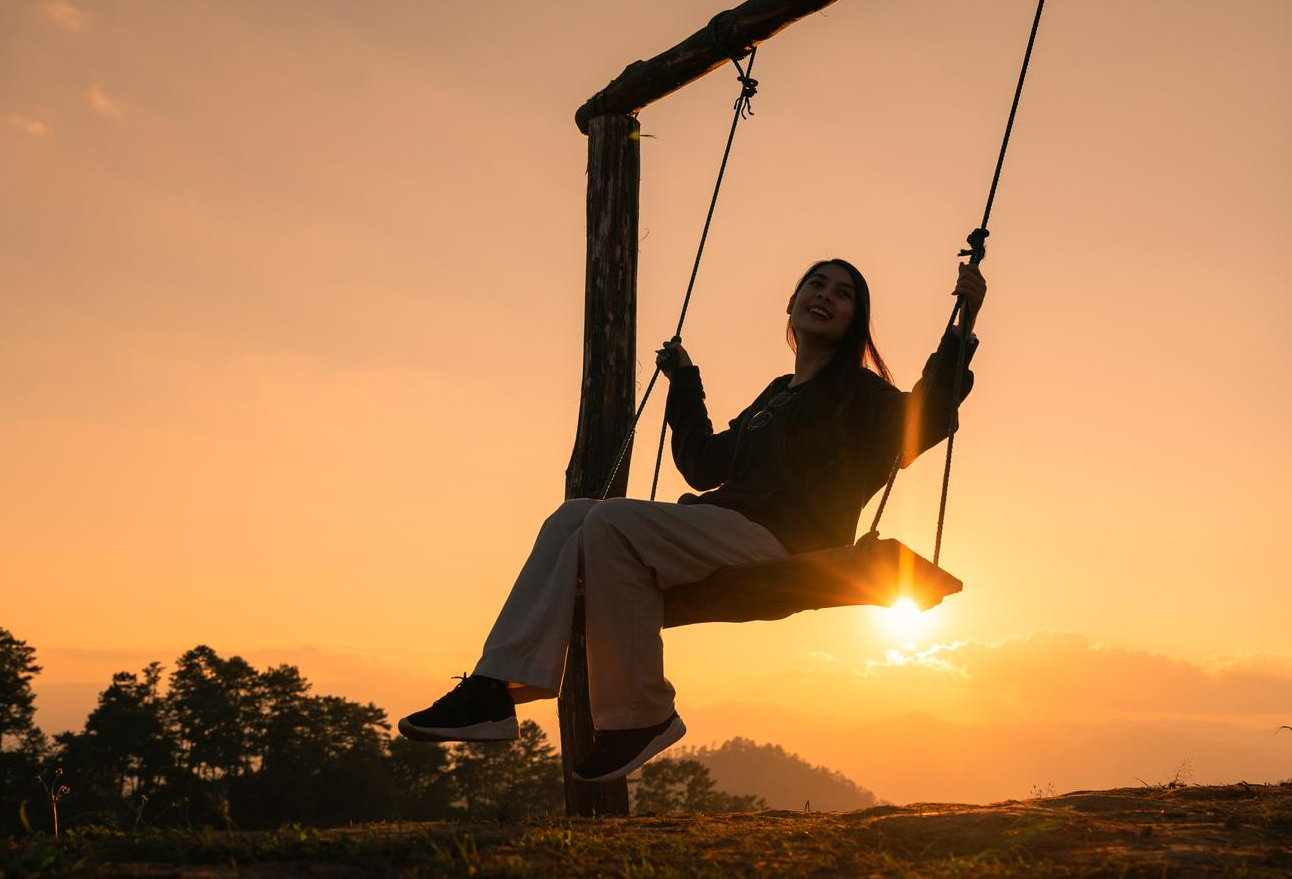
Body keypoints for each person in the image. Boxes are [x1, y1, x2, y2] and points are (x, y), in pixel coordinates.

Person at [398, 257, 987, 782]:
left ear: (854, 321)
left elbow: (925, 415)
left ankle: (642, 715)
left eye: (844, 293)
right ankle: (500, 686)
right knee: (572, 517)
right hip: (725, 528)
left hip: (787, 546)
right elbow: (705, 465)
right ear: (792, 301)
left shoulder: (861, 396)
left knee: (609, 526)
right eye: (817, 283)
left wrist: (961, 325)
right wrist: (685, 381)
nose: (827, 295)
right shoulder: (776, 395)